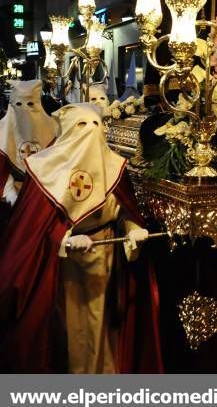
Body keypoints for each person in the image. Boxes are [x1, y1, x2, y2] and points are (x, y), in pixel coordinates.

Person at [0, 104, 162, 373]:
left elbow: (123, 209)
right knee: (71, 328)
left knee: (101, 327)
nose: (90, 133)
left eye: (96, 125)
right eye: (82, 126)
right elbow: (31, 231)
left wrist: (133, 229)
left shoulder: (113, 167)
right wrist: (63, 239)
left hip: (105, 261)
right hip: (64, 269)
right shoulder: (46, 170)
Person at [0, 80, 58, 209]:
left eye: (31, 104)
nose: (25, 109)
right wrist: (10, 193)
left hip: (44, 195)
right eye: (19, 104)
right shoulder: (1, 131)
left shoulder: (53, 129)